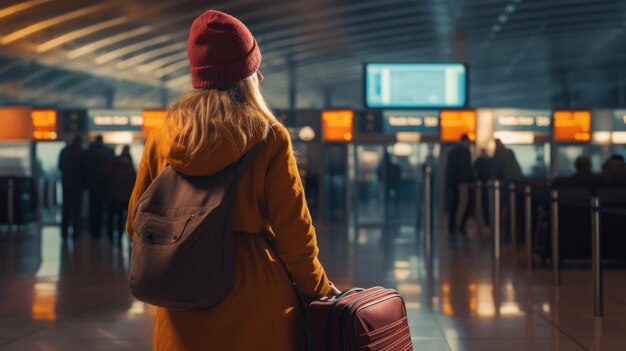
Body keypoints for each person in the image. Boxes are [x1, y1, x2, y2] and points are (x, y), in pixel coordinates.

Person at [126, 10, 339, 350]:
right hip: (256, 300)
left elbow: (136, 222)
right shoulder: (268, 137)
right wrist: (320, 291)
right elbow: (294, 233)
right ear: (247, 75)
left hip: (181, 305)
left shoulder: (163, 135)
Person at [102, 146, 136, 246]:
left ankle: (111, 239)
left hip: (111, 196)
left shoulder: (112, 163)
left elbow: (102, 175)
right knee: (122, 219)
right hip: (124, 198)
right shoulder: (130, 166)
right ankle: (120, 238)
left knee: (110, 218)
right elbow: (134, 183)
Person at [83, 135, 114, 239]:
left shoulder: (88, 153)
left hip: (91, 184)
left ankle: (93, 231)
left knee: (92, 208)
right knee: (102, 208)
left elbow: (84, 169)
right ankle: (100, 230)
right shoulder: (108, 152)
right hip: (104, 185)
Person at [445, 134, 473, 236]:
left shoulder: (454, 153)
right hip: (461, 183)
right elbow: (465, 169)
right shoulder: (463, 153)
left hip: (458, 183)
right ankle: (457, 226)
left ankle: (455, 226)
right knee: (459, 204)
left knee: (456, 205)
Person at [58, 135, 84, 240]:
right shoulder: (81, 153)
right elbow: (84, 170)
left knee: (66, 209)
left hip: (66, 184)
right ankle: (75, 233)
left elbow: (60, 166)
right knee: (76, 210)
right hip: (78, 186)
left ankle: (64, 233)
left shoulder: (64, 151)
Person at [473, 148, 492, 225]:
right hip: (482, 185)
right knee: (483, 204)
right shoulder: (481, 161)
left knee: (486, 204)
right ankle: (483, 221)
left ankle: (486, 221)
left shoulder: (487, 161)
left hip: (487, 185)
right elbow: (475, 171)